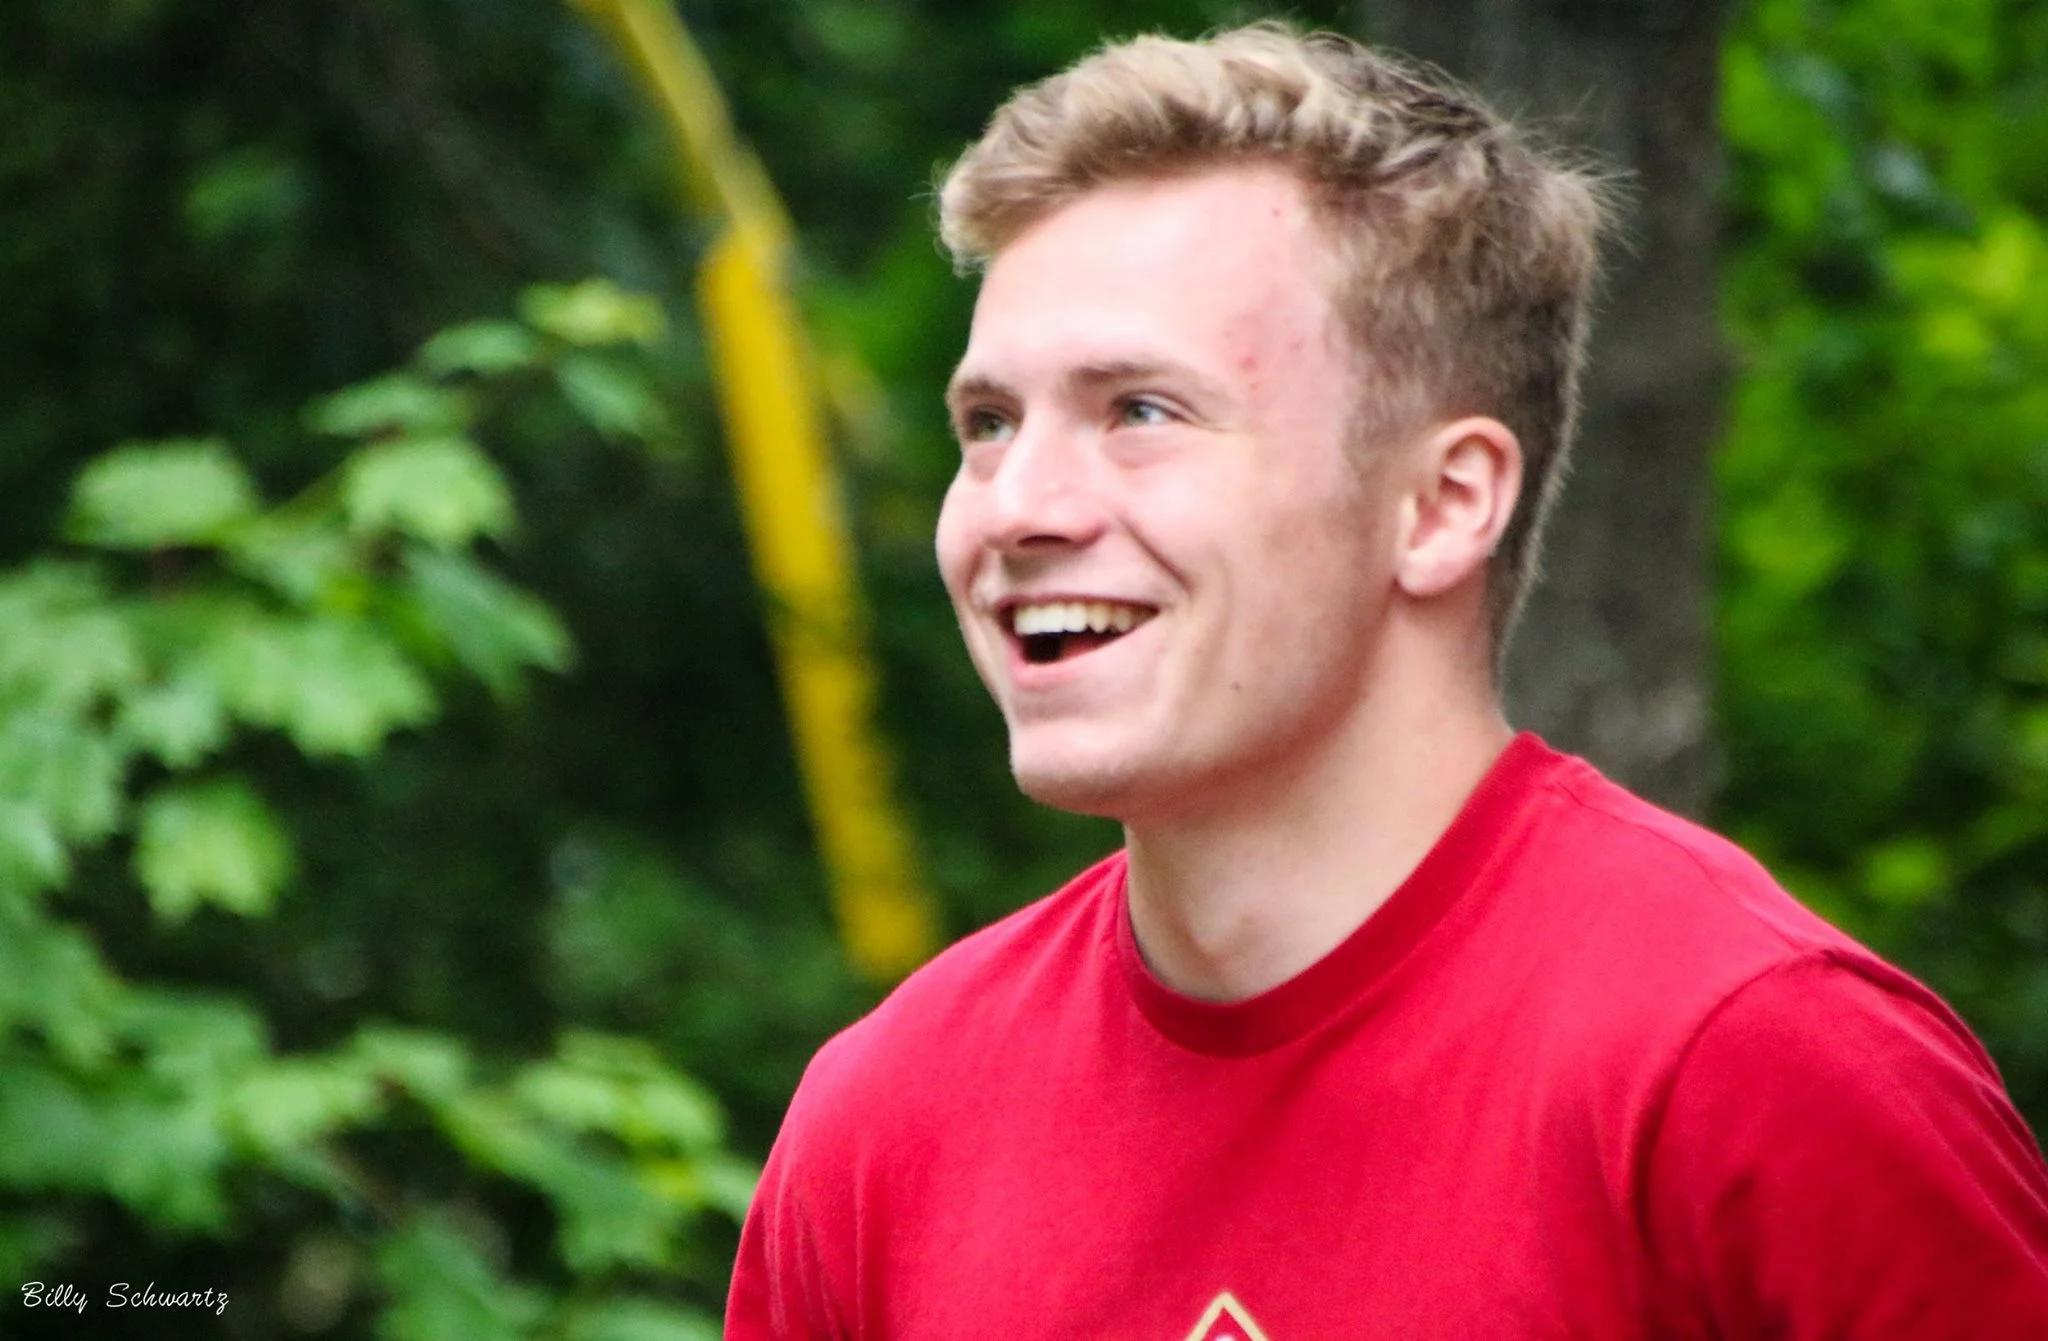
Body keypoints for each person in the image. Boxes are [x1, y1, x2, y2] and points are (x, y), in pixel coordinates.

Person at [724, 23, 2048, 1339]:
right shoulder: (887, 1130)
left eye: (1140, 411)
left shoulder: (1750, 1068)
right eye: (990, 424)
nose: (1017, 508)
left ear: (1441, 504)